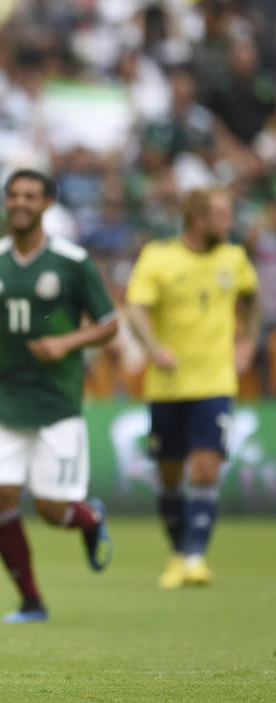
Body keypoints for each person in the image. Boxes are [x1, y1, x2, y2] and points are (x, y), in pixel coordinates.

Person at [0, 169, 117, 624]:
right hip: (7, 397)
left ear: (47, 204)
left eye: (31, 196)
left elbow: (109, 323)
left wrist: (66, 344)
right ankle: (30, 601)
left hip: (58, 400)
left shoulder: (72, 261)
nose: (20, 203)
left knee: (51, 509)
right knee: (1, 498)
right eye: (13, 195)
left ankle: (89, 518)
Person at [126, 187, 259, 588]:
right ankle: (179, 552)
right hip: (167, 385)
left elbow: (252, 298)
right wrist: (153, 348)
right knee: (169, 474)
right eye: (221, 214)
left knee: (206, 466)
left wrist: (248, 342)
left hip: (215, 381)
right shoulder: (159, 257)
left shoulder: (233, 258)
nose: (229, 221)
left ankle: (196, 557)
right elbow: (135, 308)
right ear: (197, 220)